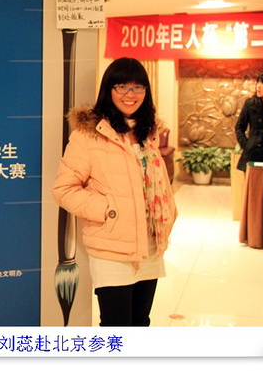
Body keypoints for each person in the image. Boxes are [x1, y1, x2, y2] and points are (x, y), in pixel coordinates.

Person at [53, 57, 177, 326]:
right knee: (116, 325)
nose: (130, 94)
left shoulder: (148, 132)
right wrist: (109, 211)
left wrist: (170, 212)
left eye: (138, 87)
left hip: (150, 244)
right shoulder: (89, 135)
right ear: (108, 90)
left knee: (141, 322)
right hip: (112, 249)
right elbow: (64, 189)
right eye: (122, 86)